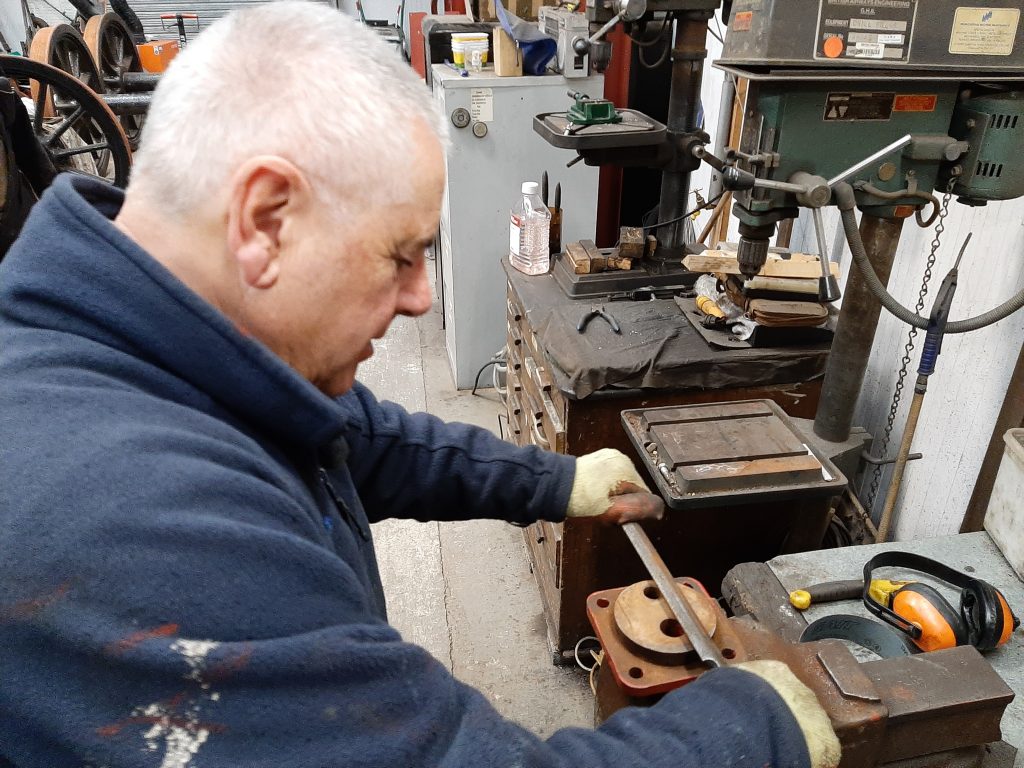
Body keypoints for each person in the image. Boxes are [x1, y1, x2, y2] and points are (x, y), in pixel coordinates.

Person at [0, 4, 839, 767]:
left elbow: (346, 434)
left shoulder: (142, 345)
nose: (420, 296)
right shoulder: (148, 526)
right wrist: (754, 725)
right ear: (264, 221)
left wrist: (555, 481)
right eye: (400, 253)